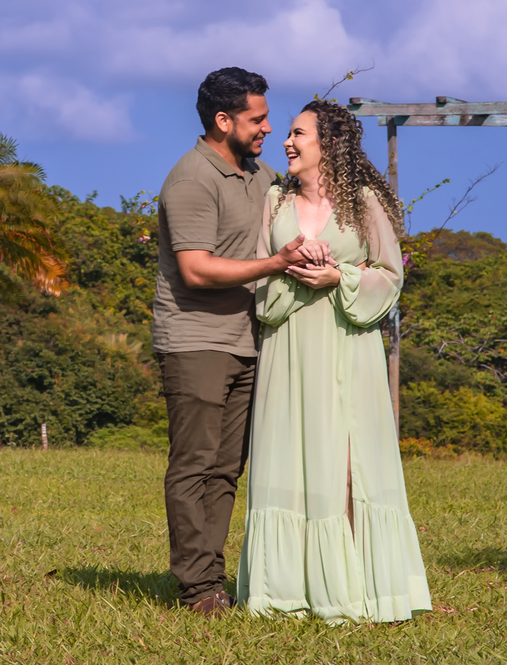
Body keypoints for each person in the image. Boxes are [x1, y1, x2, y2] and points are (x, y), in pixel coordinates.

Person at [237, 100, 432, 622]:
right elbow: (259, 279)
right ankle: (286, 590)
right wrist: (289, 267)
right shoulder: (275, 203)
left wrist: (339, 277)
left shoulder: (363, 203)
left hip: (349, 347)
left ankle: (357, 588)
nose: (286, 142)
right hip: (289, 348)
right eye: (289, 134)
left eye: (298, 134)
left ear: (329, 144)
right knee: (289, 461)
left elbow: (390, 277)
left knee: (347, 465)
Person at [153, 67, 316, 616]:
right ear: (223, 121)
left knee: (227, 467)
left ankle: (213, 579)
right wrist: (274, 264)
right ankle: (198, 586)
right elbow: (195, 270)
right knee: (194, 464)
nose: (269, 128)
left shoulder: (259, 174)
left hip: (247, 340)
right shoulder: (191, 181)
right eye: (258, 118)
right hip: (197, 340)